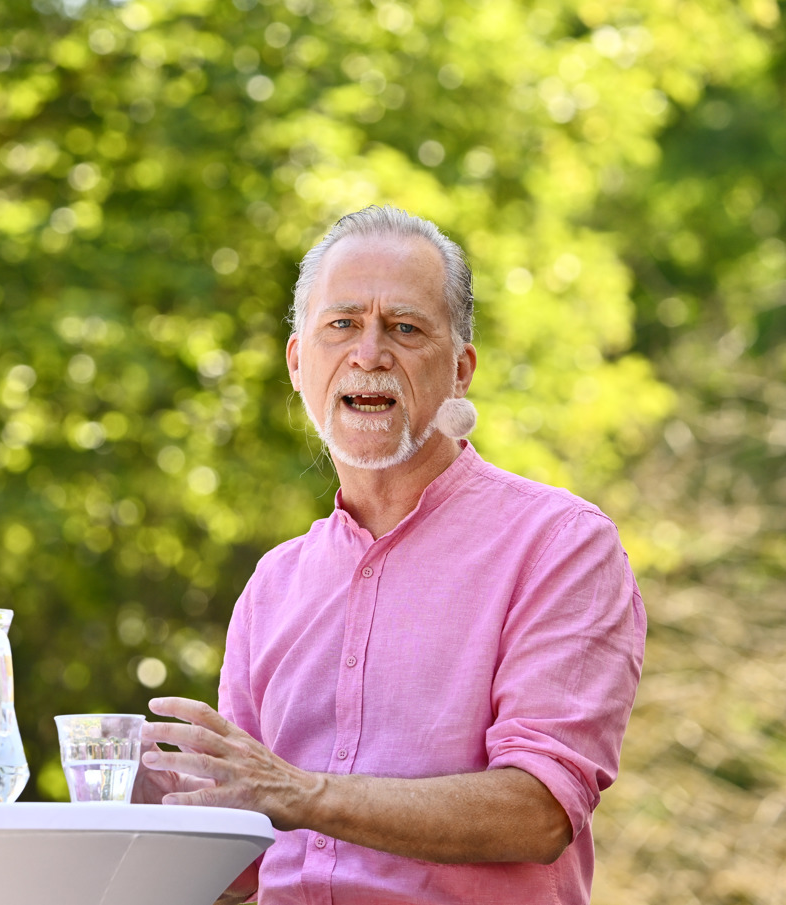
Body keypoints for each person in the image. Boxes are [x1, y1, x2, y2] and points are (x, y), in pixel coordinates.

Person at [133, 205, 646, 905]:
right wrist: (153, 811)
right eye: (342, 324)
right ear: (297, 363)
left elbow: (540, 811)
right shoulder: (273, 583)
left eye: (404, 328)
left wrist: (300, 792)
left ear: (460, 369)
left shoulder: (562, 543)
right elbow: (243, 867)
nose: (369, 353)